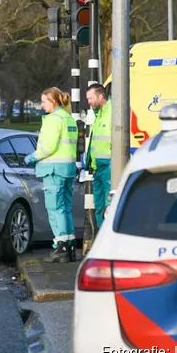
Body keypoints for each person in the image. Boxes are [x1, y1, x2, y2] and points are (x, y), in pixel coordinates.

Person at [24, 87, 78, 263]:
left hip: (53, 170)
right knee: (66, 208)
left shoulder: (52, 120)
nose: (42, 105)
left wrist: (31, 157)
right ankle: (69, 246)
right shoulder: (69, 118)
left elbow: (47, 147)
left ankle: (61, 247)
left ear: (53, 102)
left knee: (55, 208)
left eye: (44, 101)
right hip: (68, 169)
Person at [84, 84, 112, 231]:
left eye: (91, 98)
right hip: (97, 168)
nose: (88, 102)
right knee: (100, 206)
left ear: (101, 96)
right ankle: (102, 236)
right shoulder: (99, 114)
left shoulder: (112, 112)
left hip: (109, 166)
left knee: (109, 205)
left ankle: (108, 238)